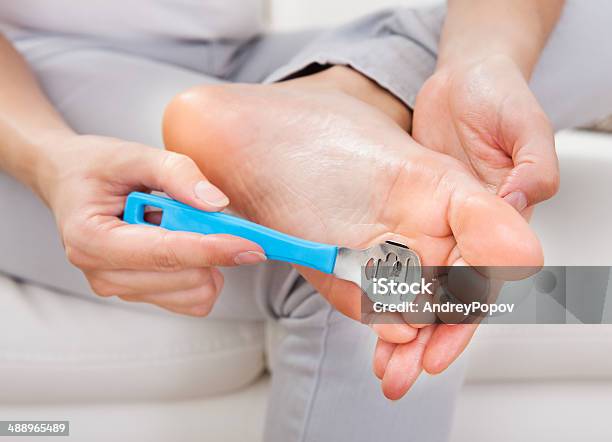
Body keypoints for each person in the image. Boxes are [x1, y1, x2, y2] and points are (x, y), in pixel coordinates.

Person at [1, 1, 611, 441]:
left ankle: (353, 95)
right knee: (379, 286)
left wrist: (477, 59)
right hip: (28, 95)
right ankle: (364, 102)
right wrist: (48, 158)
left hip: (244, 61)